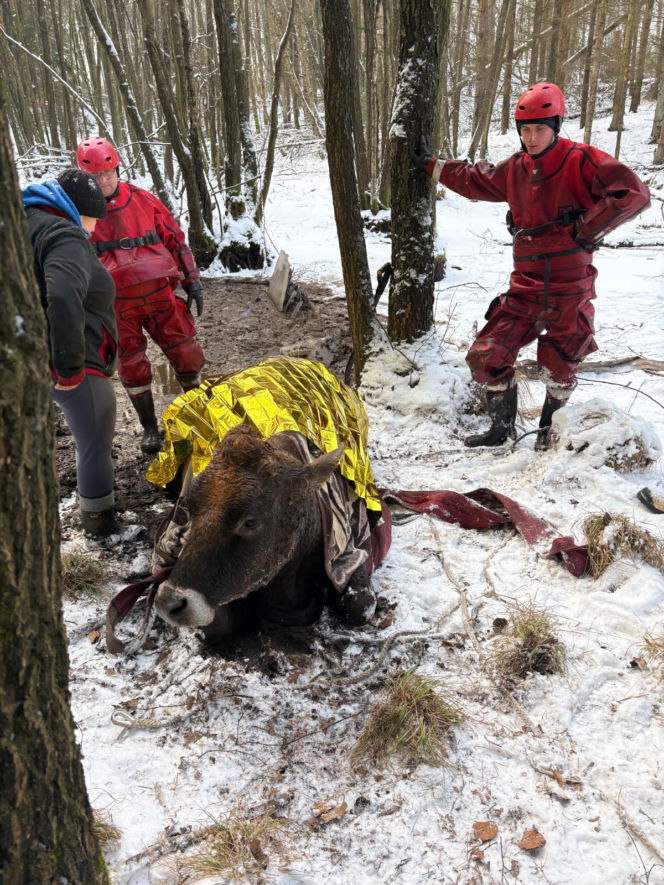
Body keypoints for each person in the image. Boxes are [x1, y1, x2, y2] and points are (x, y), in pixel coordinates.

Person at [414, 82, 651, 449]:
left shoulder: (581, 159)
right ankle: (501, 430)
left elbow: (633, 194)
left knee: (559, 365)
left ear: (556, 125)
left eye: (540, 128)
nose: (531, 136)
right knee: (486, 355)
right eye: (525, 129)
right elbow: (476, 180)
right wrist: (432, 164)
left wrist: (587, 228)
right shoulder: (517, 168)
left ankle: (545, 433)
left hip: (570, 288)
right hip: (524, 286)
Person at [76, 136, 205, 454]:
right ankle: (150, 429)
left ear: (117, 169)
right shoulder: (77, 214)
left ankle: (202, 415)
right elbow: (72, 261)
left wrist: (192, 281)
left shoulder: (144, 200)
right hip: (117, 306)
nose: (103, 181)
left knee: (187, 353)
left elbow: (175, 239)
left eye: (108, 173)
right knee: (132, 367)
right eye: (95, 176)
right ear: (84, 176)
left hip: (161, 295)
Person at [22, 169, 119, 537]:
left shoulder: (25, 223)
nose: (94, 229)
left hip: (26, 354)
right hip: (72, 364)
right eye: (94, 218)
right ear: (78, 210)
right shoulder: (65, 235)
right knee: (94, 441)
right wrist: (69, 367)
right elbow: (62, 295)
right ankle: (100, 524)